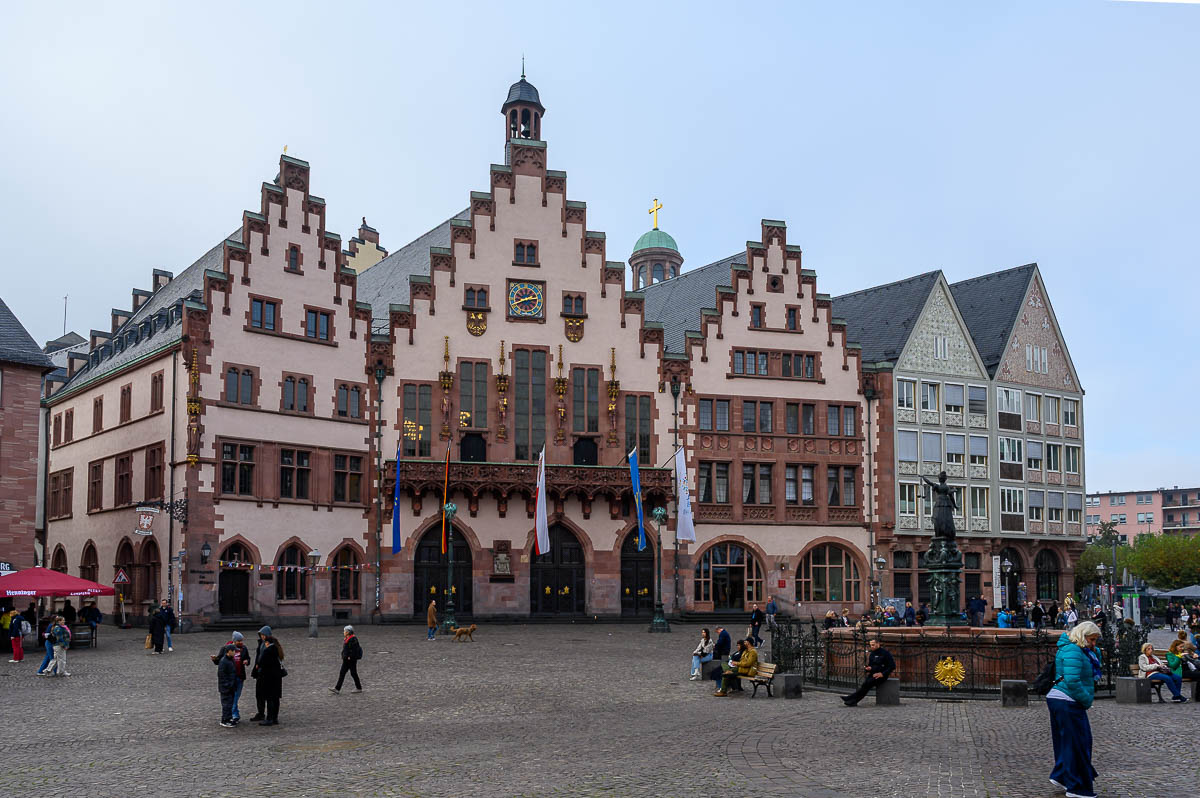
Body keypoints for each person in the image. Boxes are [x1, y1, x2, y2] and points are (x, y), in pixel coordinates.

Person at [1046, 620, 1102, 798]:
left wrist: (1094, 650)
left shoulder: (1077, 649)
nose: (1094, 643)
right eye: (1092, 639)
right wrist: (1086, 699)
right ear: (1082, 635)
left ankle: (1062, 775)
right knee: (1079, 743)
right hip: (1067, 700)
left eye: (1095, 640)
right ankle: (1077, 787)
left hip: (1061, 699)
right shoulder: (1074, 650)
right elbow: (1072, 680)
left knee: (1069, 742)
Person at [841, 638, 896, 706]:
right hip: (873, 674)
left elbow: (892, 666)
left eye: (873, 645)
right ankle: (853, 701)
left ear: (878, 644)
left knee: (867, 684)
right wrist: (868, 668)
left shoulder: (885, 653)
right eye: (870, 645)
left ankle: (851, 698)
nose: (871, 646)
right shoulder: (872, 654)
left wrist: (882, 674)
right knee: (865, 685)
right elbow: (871, 666)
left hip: (881, 675)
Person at [214, 631, 251, 723]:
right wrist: (215, 659)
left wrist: (247, 661)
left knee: (235, 697)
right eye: (239, 641)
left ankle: (232, 715)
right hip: (230, 678)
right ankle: (233, 715)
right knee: (231, 698)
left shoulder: (244, 648)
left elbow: (247, 658)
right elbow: (219, 661)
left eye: (242, 640)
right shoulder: (226, 648)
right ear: (234, 641)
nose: (241, 642)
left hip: (239, 676)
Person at [255, 635, 285, 726]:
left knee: (269, 698)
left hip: (268, 677)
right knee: (276, 698)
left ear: (267, 643)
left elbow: (261, 662)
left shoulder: (267, 651)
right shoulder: (278, 650)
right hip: (277, 677)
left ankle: (269, 718)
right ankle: (275, 718)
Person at [248, 626, 273, 722]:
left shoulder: (270, 644)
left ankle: (269, 715)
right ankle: (261, 712)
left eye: (263, 635)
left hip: (266, 672)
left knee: (267, 695)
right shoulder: (261, 643)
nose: (262, 636)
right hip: (259, 671)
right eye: (261, 635)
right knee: (259, 694)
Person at [330, 625, 364, 694]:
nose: (344, 632)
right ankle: (337, 688)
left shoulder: (353, 639)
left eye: (345, 631)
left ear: (348, 632)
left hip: (350, 660)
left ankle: (358, 688)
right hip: (346, 659)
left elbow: (354, 650)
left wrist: (350, 657)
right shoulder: (347, 638)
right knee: (343, 673)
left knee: (353, 673)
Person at [217, 645, 238, 727]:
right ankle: (225, 720)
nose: (235, 652)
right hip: (226, 688)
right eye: (234, 651)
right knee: (226, 704)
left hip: (230, 687)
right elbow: (221, 675)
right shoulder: (224, 661)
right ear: (229, 651)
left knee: (229, 704)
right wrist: (228, 685)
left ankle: (228, 718)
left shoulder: (230, 660)